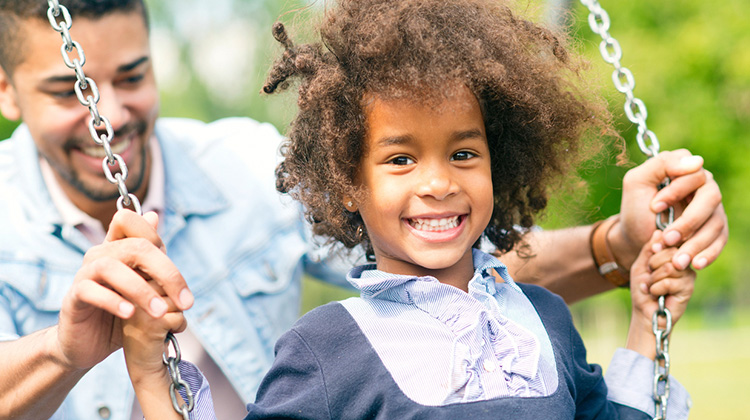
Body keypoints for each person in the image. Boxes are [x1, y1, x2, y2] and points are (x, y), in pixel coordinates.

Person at [0, 0, 725, 419]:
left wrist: (624, 254)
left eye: (133, 76)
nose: (112, 113)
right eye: (72, 91)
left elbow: (469, 272)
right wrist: (124, 368)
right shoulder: (324, 355)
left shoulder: (542, 325)